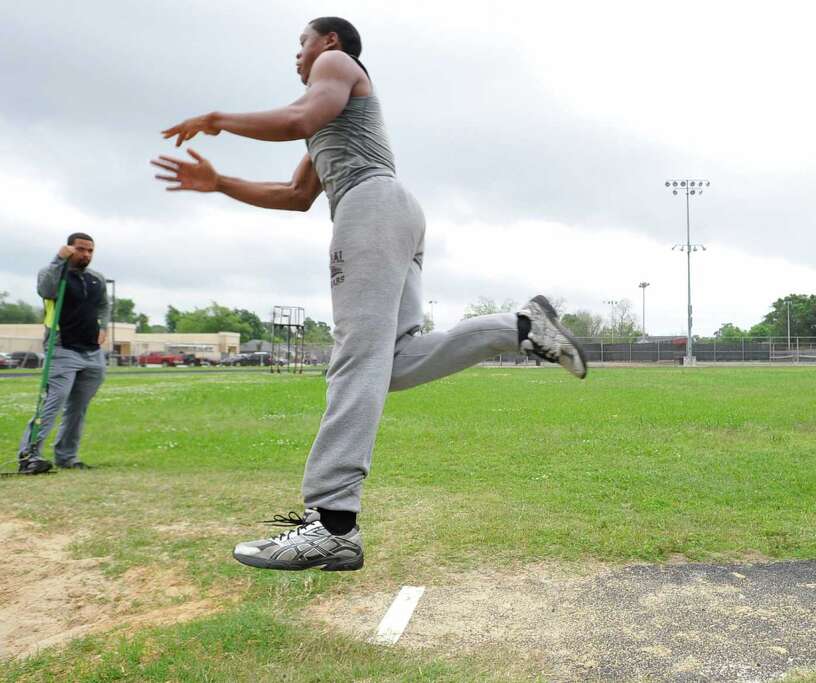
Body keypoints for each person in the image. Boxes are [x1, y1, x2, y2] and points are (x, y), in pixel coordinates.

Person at [152, 17, 586, 571]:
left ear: (329, 42)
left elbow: (297, 117)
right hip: (388, 208)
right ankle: (521, 327)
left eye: (302, 42)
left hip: (370, 207)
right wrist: (220, 184)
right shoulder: (328, 117)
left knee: (354, 359)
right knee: (391, 365)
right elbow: (293, 194)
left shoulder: (335, 68)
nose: (298, 55)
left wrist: (217, 119)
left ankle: (333, 524)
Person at [17, 234, 110, 474]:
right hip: (62, 348)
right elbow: (45, 290)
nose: (86, 255)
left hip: (92, 352)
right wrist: (58, 259)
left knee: (78, 408)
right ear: (69, 248)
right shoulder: (54, 274)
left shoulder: (95, 278)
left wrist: (104, 326)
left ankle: (67, 457)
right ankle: (29, 456)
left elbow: (103, 305)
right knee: (53, 403)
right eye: (81, 249)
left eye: (90, 251)